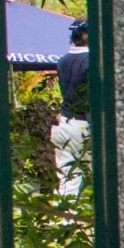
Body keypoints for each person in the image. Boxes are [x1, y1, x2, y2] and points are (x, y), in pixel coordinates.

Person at [50, 18, 89, 194]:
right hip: (83, 125)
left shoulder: (63, 60)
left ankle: (64, 219)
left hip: (63, 124)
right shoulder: (92, 61)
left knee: (68, 179)